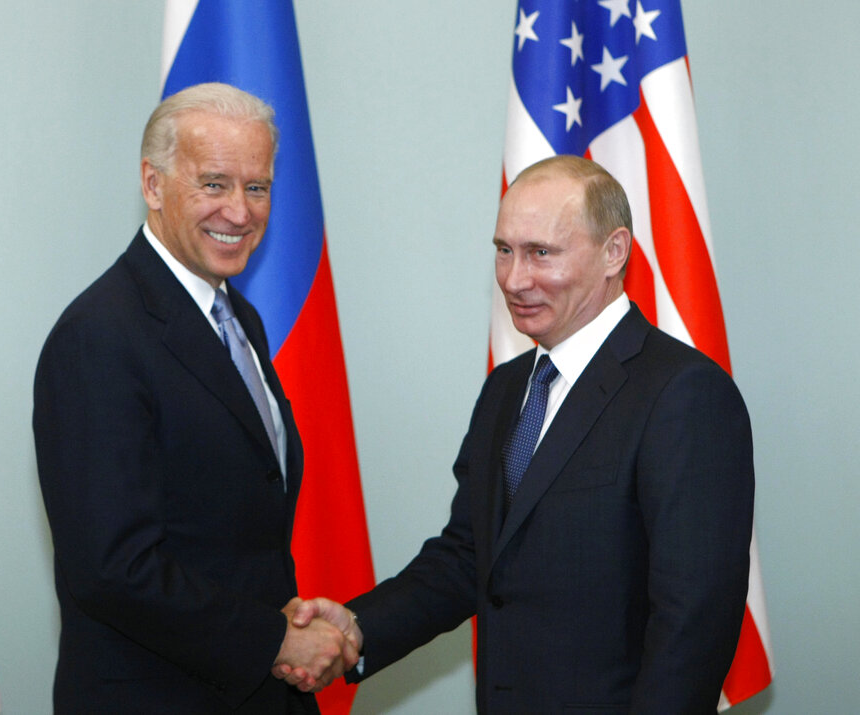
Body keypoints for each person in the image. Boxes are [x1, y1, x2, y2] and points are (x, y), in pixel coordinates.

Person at [280, 155, 755, 713]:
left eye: (540, 253)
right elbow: (470, 556)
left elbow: (692, 623)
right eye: (504, 250)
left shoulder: (683, 394)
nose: (513, 278)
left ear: (614, 251)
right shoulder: (508, 389)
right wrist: (357, 628)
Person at [33, 82, 355, 714]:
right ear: (153, 185)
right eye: (214, 183)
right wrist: (274, 639)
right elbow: (113, 567)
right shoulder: (97, 337)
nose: (239, 211)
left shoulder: (239, 318)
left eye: (256, 187)